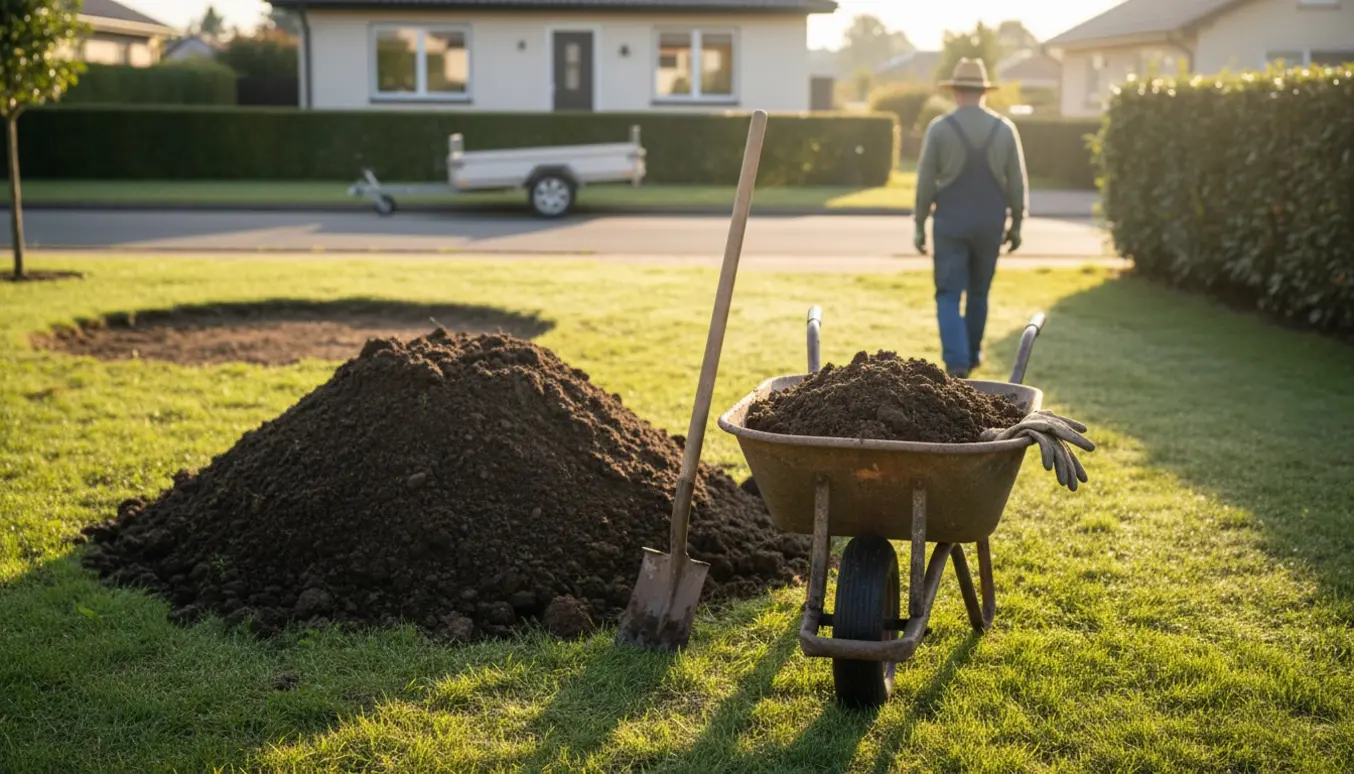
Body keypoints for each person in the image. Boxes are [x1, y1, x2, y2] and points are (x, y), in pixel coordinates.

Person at [914, 58, 1029, 378]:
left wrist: (919, 224)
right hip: (990, 221)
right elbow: (1017, 183)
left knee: (949, 293)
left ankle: (957, 362)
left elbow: (925, 182)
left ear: (955, 92)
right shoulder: (1005, 129)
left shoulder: (939, 128)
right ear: (983, 92)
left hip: (950, 220)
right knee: (979, 292)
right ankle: (972, 353)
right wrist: (1017, 223)